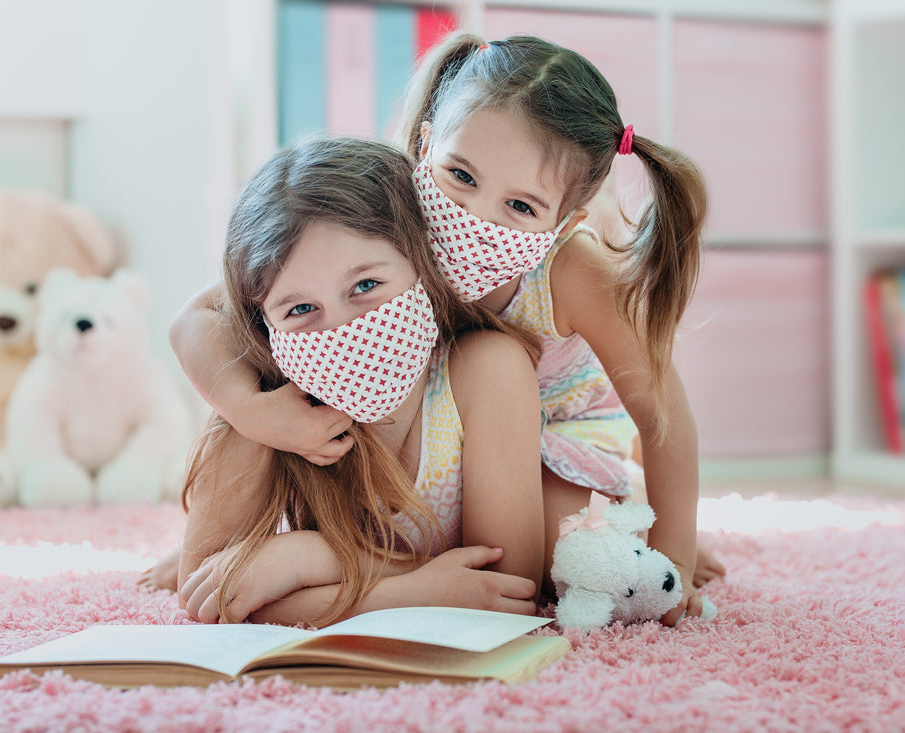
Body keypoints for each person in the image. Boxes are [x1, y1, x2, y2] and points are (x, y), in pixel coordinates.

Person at [393, 32, 725, 625]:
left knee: (567, 562)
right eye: (461, 175)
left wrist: (672, 554)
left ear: (566, 219)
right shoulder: (387, 218)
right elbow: (240, 308)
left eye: (521, 206)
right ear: (426, 145)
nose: (474, 216)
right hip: (442, 429)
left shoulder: (571, 270)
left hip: (559, 439)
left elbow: (662, 415)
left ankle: (630, 518)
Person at [169, 136, 544, 627]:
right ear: (265, 325)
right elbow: (210, 597)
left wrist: (311, 559)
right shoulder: (262, 412)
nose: (344, 328)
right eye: (301, 309)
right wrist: (414, 591)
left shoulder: (487, 371)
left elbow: (508, 584)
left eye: (366, 286)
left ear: (423, 263)